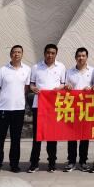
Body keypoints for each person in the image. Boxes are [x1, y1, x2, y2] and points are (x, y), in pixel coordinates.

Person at [0, 44, 31, 173]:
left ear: (22, 54)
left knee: (16, 139)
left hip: (18, 109)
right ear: (10, 54)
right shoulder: (2, 70)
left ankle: (14, 164)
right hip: (3, 108)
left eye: (19, 52)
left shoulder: (27, 70)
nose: (16, 54)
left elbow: (26, 88)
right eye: (14, 52)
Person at [28, 43, 66, 173]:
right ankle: (34, 163)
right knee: (37, 136)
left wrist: (58, 88)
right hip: (38, 105)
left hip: (54, 106)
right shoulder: (36, 67)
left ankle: (52, 163)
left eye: (53, 53)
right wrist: (33, 88)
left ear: (56, 54)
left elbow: (63, 84)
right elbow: (31, 84)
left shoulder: (61, 67)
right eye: (48, 53)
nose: (50, 55)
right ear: (44, 53)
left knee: (52, 136)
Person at [64, 47, 94, 172]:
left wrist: (91, 88)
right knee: (72, 136)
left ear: (87, 57)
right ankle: (71, 161)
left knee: (84, 136)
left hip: (87, 108)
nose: (81, 58)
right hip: (73, 108)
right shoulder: (69, 72)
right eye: (79, 56)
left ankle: (83, 161)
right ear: (75, 57)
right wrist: (67, 87)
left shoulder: (93, 71)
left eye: (83, 56)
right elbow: (65, 86)